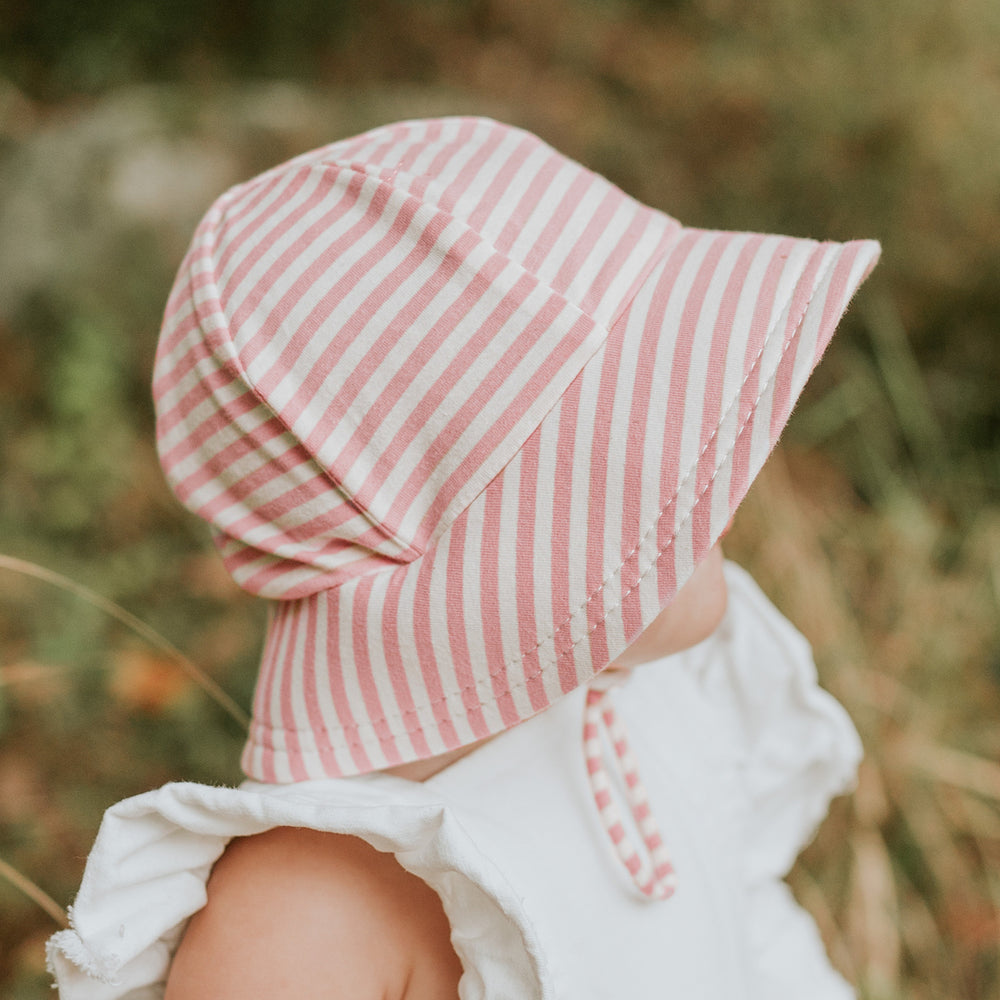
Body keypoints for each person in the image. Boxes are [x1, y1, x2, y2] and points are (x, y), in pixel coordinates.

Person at [47, 116, 880, 999]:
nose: (726, 471)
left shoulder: (640, 710)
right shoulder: (308, 916)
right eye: (653, 455)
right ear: (503, 559)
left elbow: (747, 947)